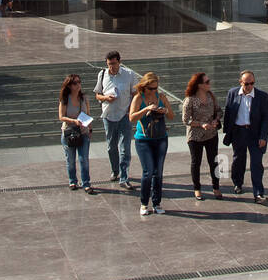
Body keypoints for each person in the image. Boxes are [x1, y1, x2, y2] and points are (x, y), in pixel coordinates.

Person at [222, 70, 268, 202]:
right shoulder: (233, 93)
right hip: (238, 132)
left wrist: (263, 136)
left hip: (255, 133)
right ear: (241, 82)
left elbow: (267, 118)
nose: (249, 86)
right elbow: (228, 112)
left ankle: (258, 192)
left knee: (256, 163)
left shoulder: (262, 97)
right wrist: (228, 132)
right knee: (238, 159)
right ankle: (238, 183)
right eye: (246, 84)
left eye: (252, 83)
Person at [130, 71, 173, 215]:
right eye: (151, 88)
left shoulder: (161, 97)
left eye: (156, 88)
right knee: (148, 172)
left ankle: (157, 202)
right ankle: (143, 203)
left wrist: (165, 110)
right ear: (144, 87)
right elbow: (131, 117)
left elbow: (172, 116)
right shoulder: (138, 98)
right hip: (143, 140)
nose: (154, 91)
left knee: (158, 172)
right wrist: (146, 109)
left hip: (161, 138)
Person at [94, 50, 135, 188]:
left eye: (114, 64)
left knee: (125, 147)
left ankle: (124, 177)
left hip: (124, 115)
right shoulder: (103, 74)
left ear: (119, 62)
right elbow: (98, 95)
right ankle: (115, 170)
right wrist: (106, 98)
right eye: (109, 64)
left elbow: (135, 94)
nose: (111, 67)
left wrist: (131, 110)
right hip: (108, 115)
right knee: (111, 146)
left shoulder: (129, 74)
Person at [182, 72, 223, 200]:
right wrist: (201, 124)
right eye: (207, 82)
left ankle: (216, 187)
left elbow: (219, 111)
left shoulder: (211, 96)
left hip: (211, 134)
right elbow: (185, 120)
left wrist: (216, 119)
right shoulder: (190, 100)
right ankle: (197, 188)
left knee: (214, 161)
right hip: (195, 136)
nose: (209, 84)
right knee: (196, 162)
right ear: (199, 85)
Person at [58, 74, 96, 194]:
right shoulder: (65, 99)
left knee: (83, 159)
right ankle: (72, 180)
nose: (78, 85)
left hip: (83, 132)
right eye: (75, 83)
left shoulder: (84, 98)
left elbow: (88, 114)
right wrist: (73, 121)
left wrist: (90, 129)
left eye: (79, 82)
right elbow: (61, 117)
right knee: (70, 159)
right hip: (69, 133)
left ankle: (86, 183)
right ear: (69, 85)